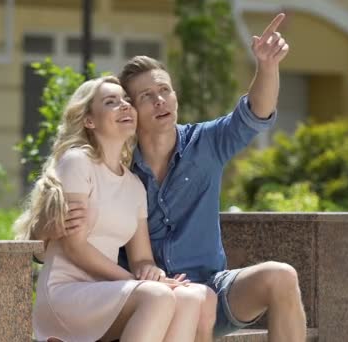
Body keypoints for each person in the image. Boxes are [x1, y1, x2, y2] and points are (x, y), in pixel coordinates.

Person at [114, 13, 307, 341]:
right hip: (149, 301)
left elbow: (255, 114)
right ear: (130, 108)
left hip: (213, 290)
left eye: (165, 90)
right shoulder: (118, 165)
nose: (160, 100)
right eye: (147, 96)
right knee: (191, 300)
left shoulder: (206, 143)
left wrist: (267, 66)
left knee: (282, 276)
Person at [15, 76, 207, 342]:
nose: (125, 106)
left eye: (126, 100)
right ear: (89, 121)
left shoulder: (135, 185)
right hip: (66, 293)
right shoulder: (77, 162)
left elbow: (142, 258)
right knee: (157, 295)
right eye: (111, 102)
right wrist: (137, 281)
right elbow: (74, 247)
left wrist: (153, 272)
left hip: (105, 291)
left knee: (188, 298)